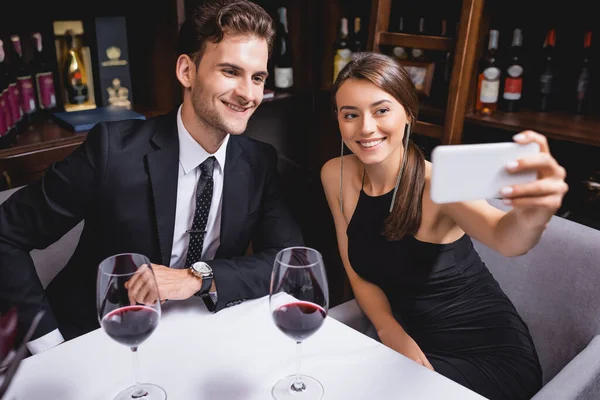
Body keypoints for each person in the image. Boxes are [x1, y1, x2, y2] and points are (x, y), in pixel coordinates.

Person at [0, 0, 303, 354]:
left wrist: (198, 278)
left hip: (197, 338)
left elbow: (291, 261)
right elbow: (6, 236)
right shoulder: (112, 150)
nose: (248, 94)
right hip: (97, 338)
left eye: (257, 77)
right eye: (230, 71)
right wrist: (50, 349)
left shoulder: (258, 161)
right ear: (186, 71)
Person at [320, 52, 568, 400]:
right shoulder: (335, 174)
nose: (366, 128)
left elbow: (506, 238)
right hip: (415, 343)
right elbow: (356, 269)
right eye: (351, 115)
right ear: (339, 120)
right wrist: (389, 329)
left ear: (407, 112)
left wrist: (534, 212)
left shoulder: (440, 184)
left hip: (490, 355)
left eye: (381, 110)